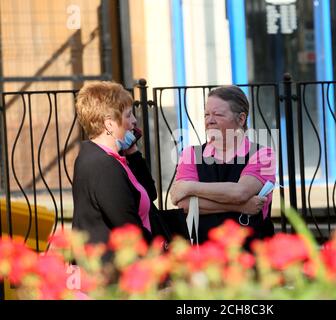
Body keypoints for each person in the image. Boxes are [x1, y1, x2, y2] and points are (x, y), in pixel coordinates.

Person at [170, 85, 276, 246]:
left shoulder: (262, 154)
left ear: (241, 119)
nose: (209, 120)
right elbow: (184, 205)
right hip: (205, 255)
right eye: (206, 114)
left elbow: (240, 192)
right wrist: (240, 207)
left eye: (218, 114)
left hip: (252, 255)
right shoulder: (190, 154)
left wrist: (189, 187)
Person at [72, 81, 157, 245]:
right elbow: (129, 228)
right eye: (128, 115)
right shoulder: (104, 165)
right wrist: (161, 248)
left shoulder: (110, 157)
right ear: (109, 123)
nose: (134, 121)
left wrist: (132, 151)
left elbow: (149, 194)